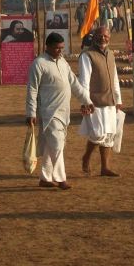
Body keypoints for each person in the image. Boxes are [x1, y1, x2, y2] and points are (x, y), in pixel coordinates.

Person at [25, 33, 94, 190]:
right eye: (56, 47)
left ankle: (45, 177)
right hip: (49, 113)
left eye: (62, 48)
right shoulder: (39, 64)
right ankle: (61, 179)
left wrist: (87, 101)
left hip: (64, 112)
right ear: (47, 47)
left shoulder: (63, 62)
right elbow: (32, 90)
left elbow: (75, 84)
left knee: (53, 145)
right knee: (57, 145)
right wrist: (31, 113)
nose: (59, 51)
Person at [78, 26, 123, 177]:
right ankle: (86, 157)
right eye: (100, 35)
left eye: (106, 35)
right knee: (98, 134)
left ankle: (105, 168)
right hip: (95, 101)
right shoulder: (87, 55)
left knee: (109, 135)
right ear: (94, 37)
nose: (103, 38)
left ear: (109, 36)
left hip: (110, 100)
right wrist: (85, 102)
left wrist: (118, 99)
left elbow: (115, 78)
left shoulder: (110, 53)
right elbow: (84, 81)